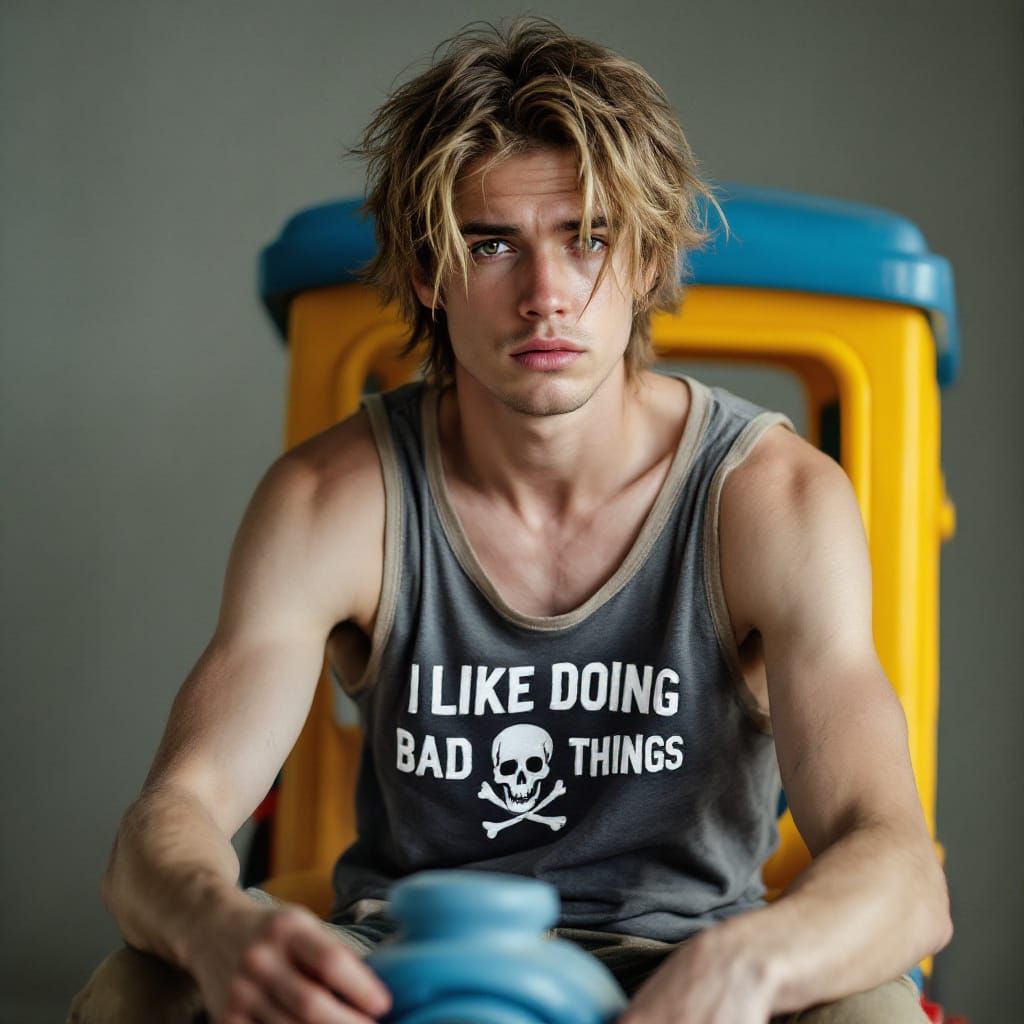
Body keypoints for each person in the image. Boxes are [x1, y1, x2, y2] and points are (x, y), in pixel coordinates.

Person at [70, 18, 952, 1024]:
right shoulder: (334, 499)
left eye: (588, 238)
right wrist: (221, 926)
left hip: (686, 967)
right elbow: (167, 822)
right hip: (396, 965)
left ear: (648, 260)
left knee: (871, 1011)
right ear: (426, 276)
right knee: (145, 985)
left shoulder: (772, 498)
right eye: (492, 245)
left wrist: (753, 964)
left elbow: (900, 872)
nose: (544, 297)